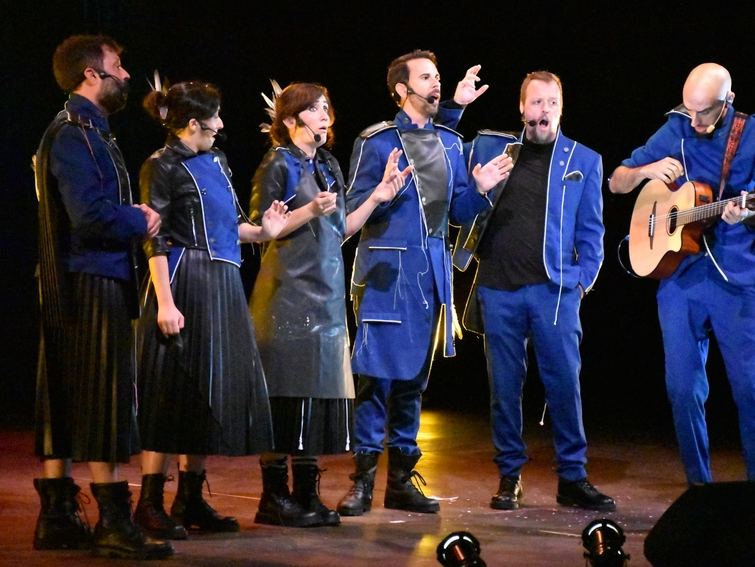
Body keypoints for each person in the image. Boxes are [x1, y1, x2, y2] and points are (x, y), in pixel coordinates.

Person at [337, 50, 512, 516]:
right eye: (427, 78)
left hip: (429, 276)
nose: (437, 84)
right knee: (376, 378)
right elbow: (350, 212)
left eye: (438, 76)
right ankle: (362, 479)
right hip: (385, 274)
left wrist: (478, 189)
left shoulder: (452, 144)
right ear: (402, 89)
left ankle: (400, 480)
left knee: (413, 382)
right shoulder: (376, 142)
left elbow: (455, 215)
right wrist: (382, 195)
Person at [32, 35, 173, 559]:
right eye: (118, 66)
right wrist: (138, 218)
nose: (126, 75)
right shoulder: (74, 135)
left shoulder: (85, 132)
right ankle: (112, 521)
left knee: (69, 394)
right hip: (90, 278)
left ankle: (58, 517)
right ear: (92, 74)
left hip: (78, 276)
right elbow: (88, 214)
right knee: (101, 396)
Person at [609, 63, 755, 485]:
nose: (696, 121)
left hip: (736, 279)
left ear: (729, 101)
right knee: (682, 389)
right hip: (680, 277)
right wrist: (646, 172)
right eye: (690, 111)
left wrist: (744, 215)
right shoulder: (677, 126)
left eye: (705, 112)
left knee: (747, 387)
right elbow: (617, 181)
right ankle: (698, 488)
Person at [133, 80, 290, 538]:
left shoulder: (217, 161)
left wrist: (263, 232)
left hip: (222, 280)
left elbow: (230, 225)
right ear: (194, 124)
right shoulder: (159, 166)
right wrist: (164, 300)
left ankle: (189, 498)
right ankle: (148, 504)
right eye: (215, 118)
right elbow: (155, 236)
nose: (222, 125)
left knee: (207, 390)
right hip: (184, 280)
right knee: (171, 389)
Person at [248, 82, 409, 527]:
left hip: (327, 294)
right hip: (287, 294)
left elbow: (340, 230)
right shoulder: (276, 163)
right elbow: (266, 228)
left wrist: (378, 196)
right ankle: (273, 498)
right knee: (284, 392)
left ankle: (305, 496)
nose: (324, 116)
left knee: (316, 398)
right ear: (289, 120)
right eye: (314, 109)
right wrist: (308, 212)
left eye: (326, 108)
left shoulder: (329, 165)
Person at [452, 71, 614, 512]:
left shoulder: (585, 159)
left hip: (554, 291)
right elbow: (457, 211)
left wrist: (581, 282)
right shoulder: (489, 150)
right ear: (521, 108)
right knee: (504, 388)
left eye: (551, 104)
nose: (543, 111)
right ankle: (509, 478)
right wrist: (480, 188)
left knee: (564, 384)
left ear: (561, 108)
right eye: (535, 103)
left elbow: (593, 232)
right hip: (498, 288)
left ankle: (573, 478)